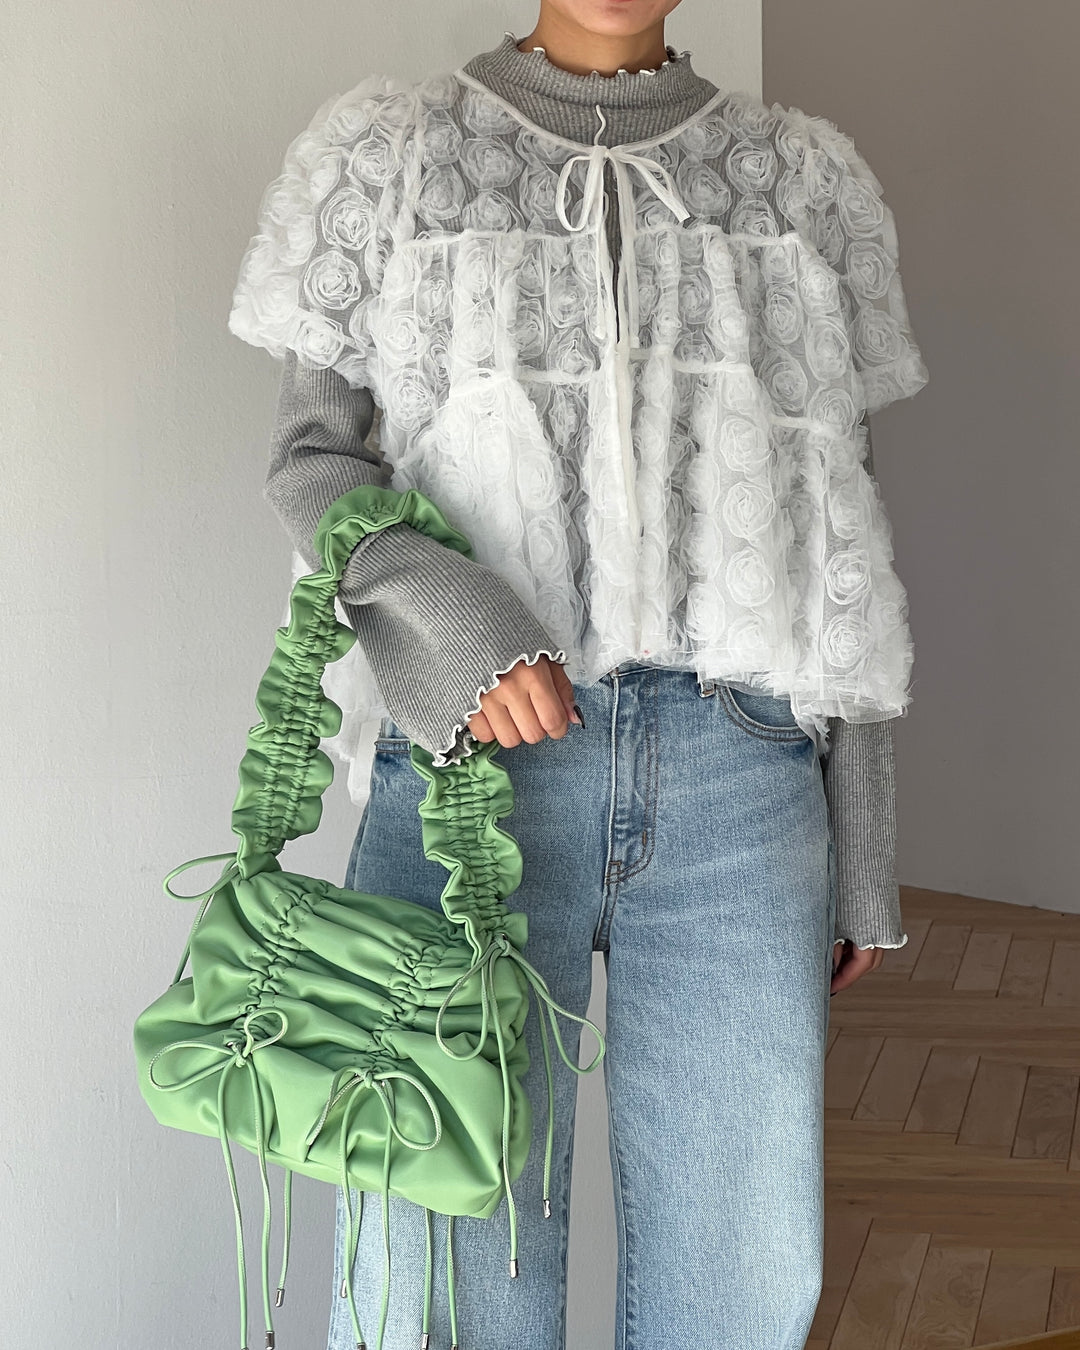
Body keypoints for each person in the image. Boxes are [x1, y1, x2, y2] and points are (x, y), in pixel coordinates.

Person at [228, 5, 929, 1347]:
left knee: (738, 1291)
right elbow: (314, 464)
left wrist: (865, 851)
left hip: (741, 783)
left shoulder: (801, 181)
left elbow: (840, 528)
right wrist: (460, 620)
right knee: (438, 1289)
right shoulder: (391, 154)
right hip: (466, 786)